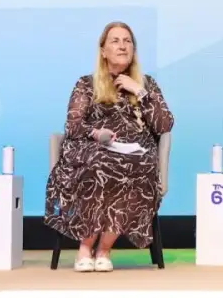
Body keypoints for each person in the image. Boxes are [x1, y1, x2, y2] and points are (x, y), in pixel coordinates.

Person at [44, 21, 174, 272]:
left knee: (133, 164)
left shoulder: (147, 84)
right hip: (90, 147)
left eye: (127, 41)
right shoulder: (86, 84)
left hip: (134, 152)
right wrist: (96, 133)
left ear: (133, 50)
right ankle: (85, 247)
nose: (122, 46)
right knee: (100, 162)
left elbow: (164, 124)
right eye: (115, 41)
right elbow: (73, 125)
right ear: (103, 50)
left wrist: (139, 91)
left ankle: (104, 249)